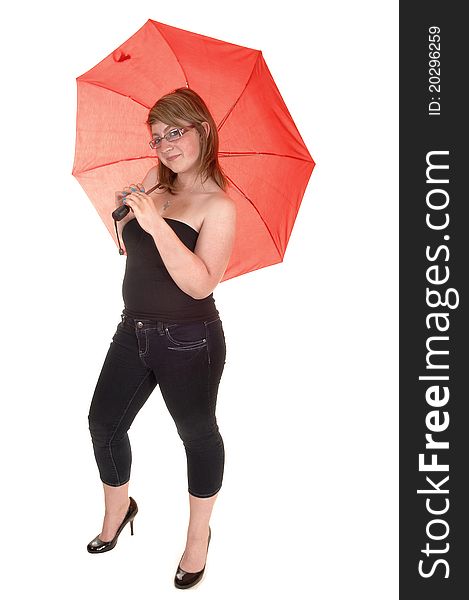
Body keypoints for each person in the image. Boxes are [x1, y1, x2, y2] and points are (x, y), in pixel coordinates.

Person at [86, 87, 236, 589]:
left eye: (176, 131)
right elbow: (133, 250)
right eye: (157, 136)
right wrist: (126, 215)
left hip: (190, 338)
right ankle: (119, 510)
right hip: (134, 328)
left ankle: (198, 538)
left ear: (204, 130)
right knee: (103, 423)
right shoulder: (155, 180)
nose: (165, 144)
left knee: (196, 436)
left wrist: (156, 223)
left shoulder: (219, 205)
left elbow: (199, 282)